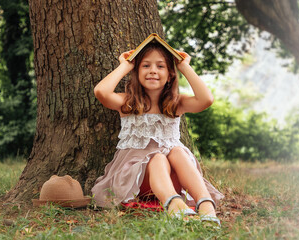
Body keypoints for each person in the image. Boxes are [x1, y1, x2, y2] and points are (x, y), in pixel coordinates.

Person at [91, 41, 223, 225]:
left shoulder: (176, 103)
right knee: (158, 157)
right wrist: (126, 65)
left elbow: (206, 99)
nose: (153, 70)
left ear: (170, 75)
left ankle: (205, 203)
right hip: (137, 180)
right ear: (136, 73)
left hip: (172, 179)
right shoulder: (127, 102)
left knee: (176, 151)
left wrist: (184, 66)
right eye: (146, 66)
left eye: (160, 66)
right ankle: (174, 204)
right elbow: (101, 91)